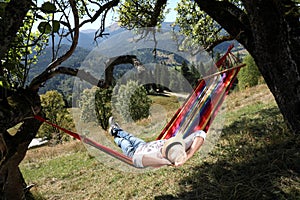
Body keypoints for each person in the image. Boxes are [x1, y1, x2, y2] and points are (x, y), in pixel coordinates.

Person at [108, 117, 206, 168]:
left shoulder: (159, 158)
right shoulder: (181, 147)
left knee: (123, 141)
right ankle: (116, 129)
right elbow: (200, 133)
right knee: (130, 136)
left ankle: (114, 134)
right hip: (143, 144)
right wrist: (188, 155)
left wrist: (165, 162)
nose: (168, 141)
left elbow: (137, 159)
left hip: (133, 152)